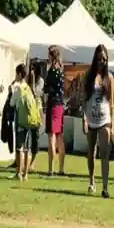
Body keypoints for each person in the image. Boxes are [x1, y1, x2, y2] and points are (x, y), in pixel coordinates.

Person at [83, 44, 114, 198]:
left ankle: (105, 187)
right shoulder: (88, 77)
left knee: (105, 153)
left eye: (104, 59)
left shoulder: (109, 78)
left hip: (105, 119)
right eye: (99, 58)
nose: (102, 61)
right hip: (91, 118)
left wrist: (113, 125)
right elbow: (84, 99)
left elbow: (112, 103)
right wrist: (84, 118)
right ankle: (91, 181)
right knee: (91, 153)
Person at [10, 63, 41, 181]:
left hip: (20, 119)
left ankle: (18, 172)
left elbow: (12, 103)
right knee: (27, 148)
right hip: (29, 120)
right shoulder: (28, 88)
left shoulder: (18, 87)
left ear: (18, 74)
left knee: (19, 148)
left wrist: (10, 91)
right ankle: (26, 174)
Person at [45, 45, 66, 176]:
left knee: (52, 136)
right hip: (60, 104)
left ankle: (51, 169)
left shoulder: (52, 71)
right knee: (59, 136)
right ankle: (61, 168)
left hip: (52, 104)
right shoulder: (61, 70)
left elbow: (47, 88)